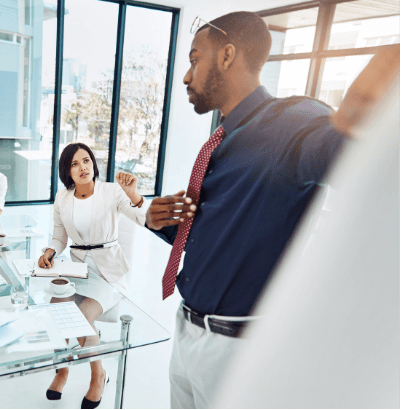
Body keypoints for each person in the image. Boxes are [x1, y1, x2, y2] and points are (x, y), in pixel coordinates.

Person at [145, 12, 398, 409]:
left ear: (227, 56)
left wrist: (377, 124)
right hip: (185, 330)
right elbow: (222, 232)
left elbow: (347, 155)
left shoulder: (295, 123)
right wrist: (159, 222)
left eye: (195, 59)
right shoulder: (223, 138)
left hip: (234, 350)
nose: (186, 76)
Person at [38, 142, 146, 409]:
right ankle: (62, 370)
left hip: (109, 271)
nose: (83, 167)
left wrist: (134, 195)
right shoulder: (62, 197)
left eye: (86, 160)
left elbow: (143, 219)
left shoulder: (111, 191)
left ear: (93, 164)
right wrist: (51, 250)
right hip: (78, 269)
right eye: (74, 164)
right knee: (56, 308)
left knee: (83, 315)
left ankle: (98, 375)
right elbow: (59, 235)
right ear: (68, 171)